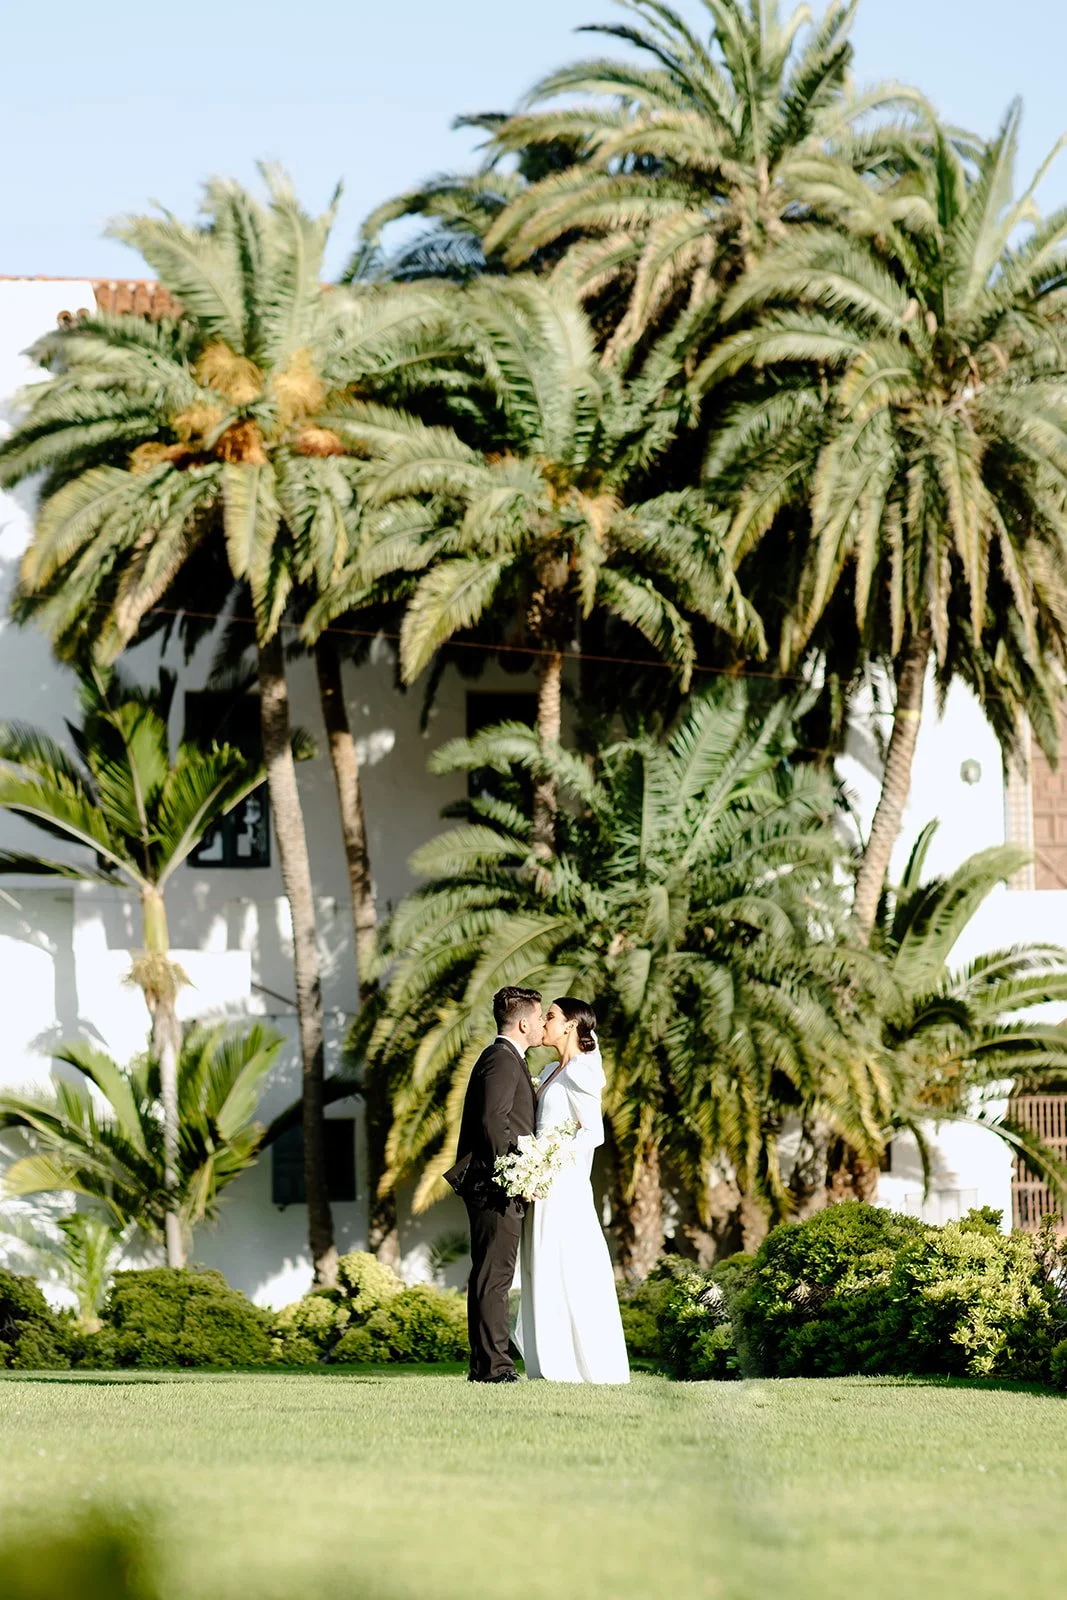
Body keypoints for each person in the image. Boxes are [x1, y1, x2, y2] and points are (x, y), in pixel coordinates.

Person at [517, 997, 630, 1384]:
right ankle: (548, 1360)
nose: (543, 1022)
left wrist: (547, 1161)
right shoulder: (551, 1070)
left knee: (566, 1265)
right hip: (540, 1184)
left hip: (562, 1185)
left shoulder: (581, 1072)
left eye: (550, 1016)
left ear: (569, 1026)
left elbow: (592, 1133)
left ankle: (581, 1364)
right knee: (540, 1264)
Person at [448, 985, 543, 1383]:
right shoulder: (501, 1059)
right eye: (538, 1018)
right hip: (494, 1186)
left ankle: (485, 1365)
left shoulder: (506, 1058)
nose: (542, 1025)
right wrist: (514, 1172)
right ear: (522, 1024)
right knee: (495, 1276)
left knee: (492, 1274)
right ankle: (495, 1368)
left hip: (496, 1183)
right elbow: (492, 1120)